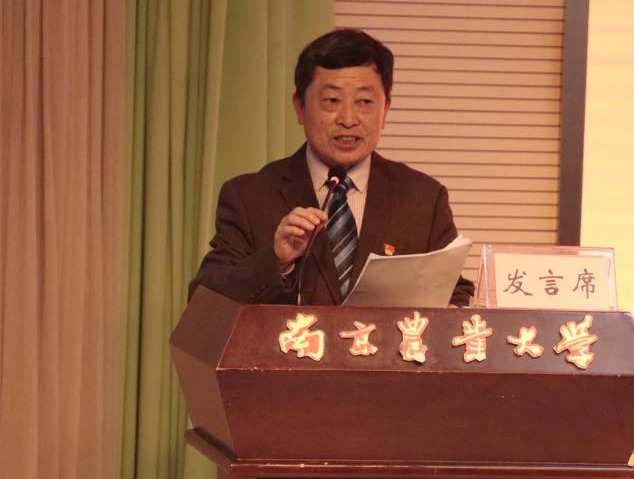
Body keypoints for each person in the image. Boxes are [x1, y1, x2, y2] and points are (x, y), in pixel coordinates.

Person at [189, 28, 474, 306]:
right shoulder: (250, 197)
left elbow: (454, 294)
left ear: (385, 110)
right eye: (331, 101)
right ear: (300, 107)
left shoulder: (423, 198)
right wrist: (275, 261)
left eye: (365, 101)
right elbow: (205, 300)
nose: (348, 119)